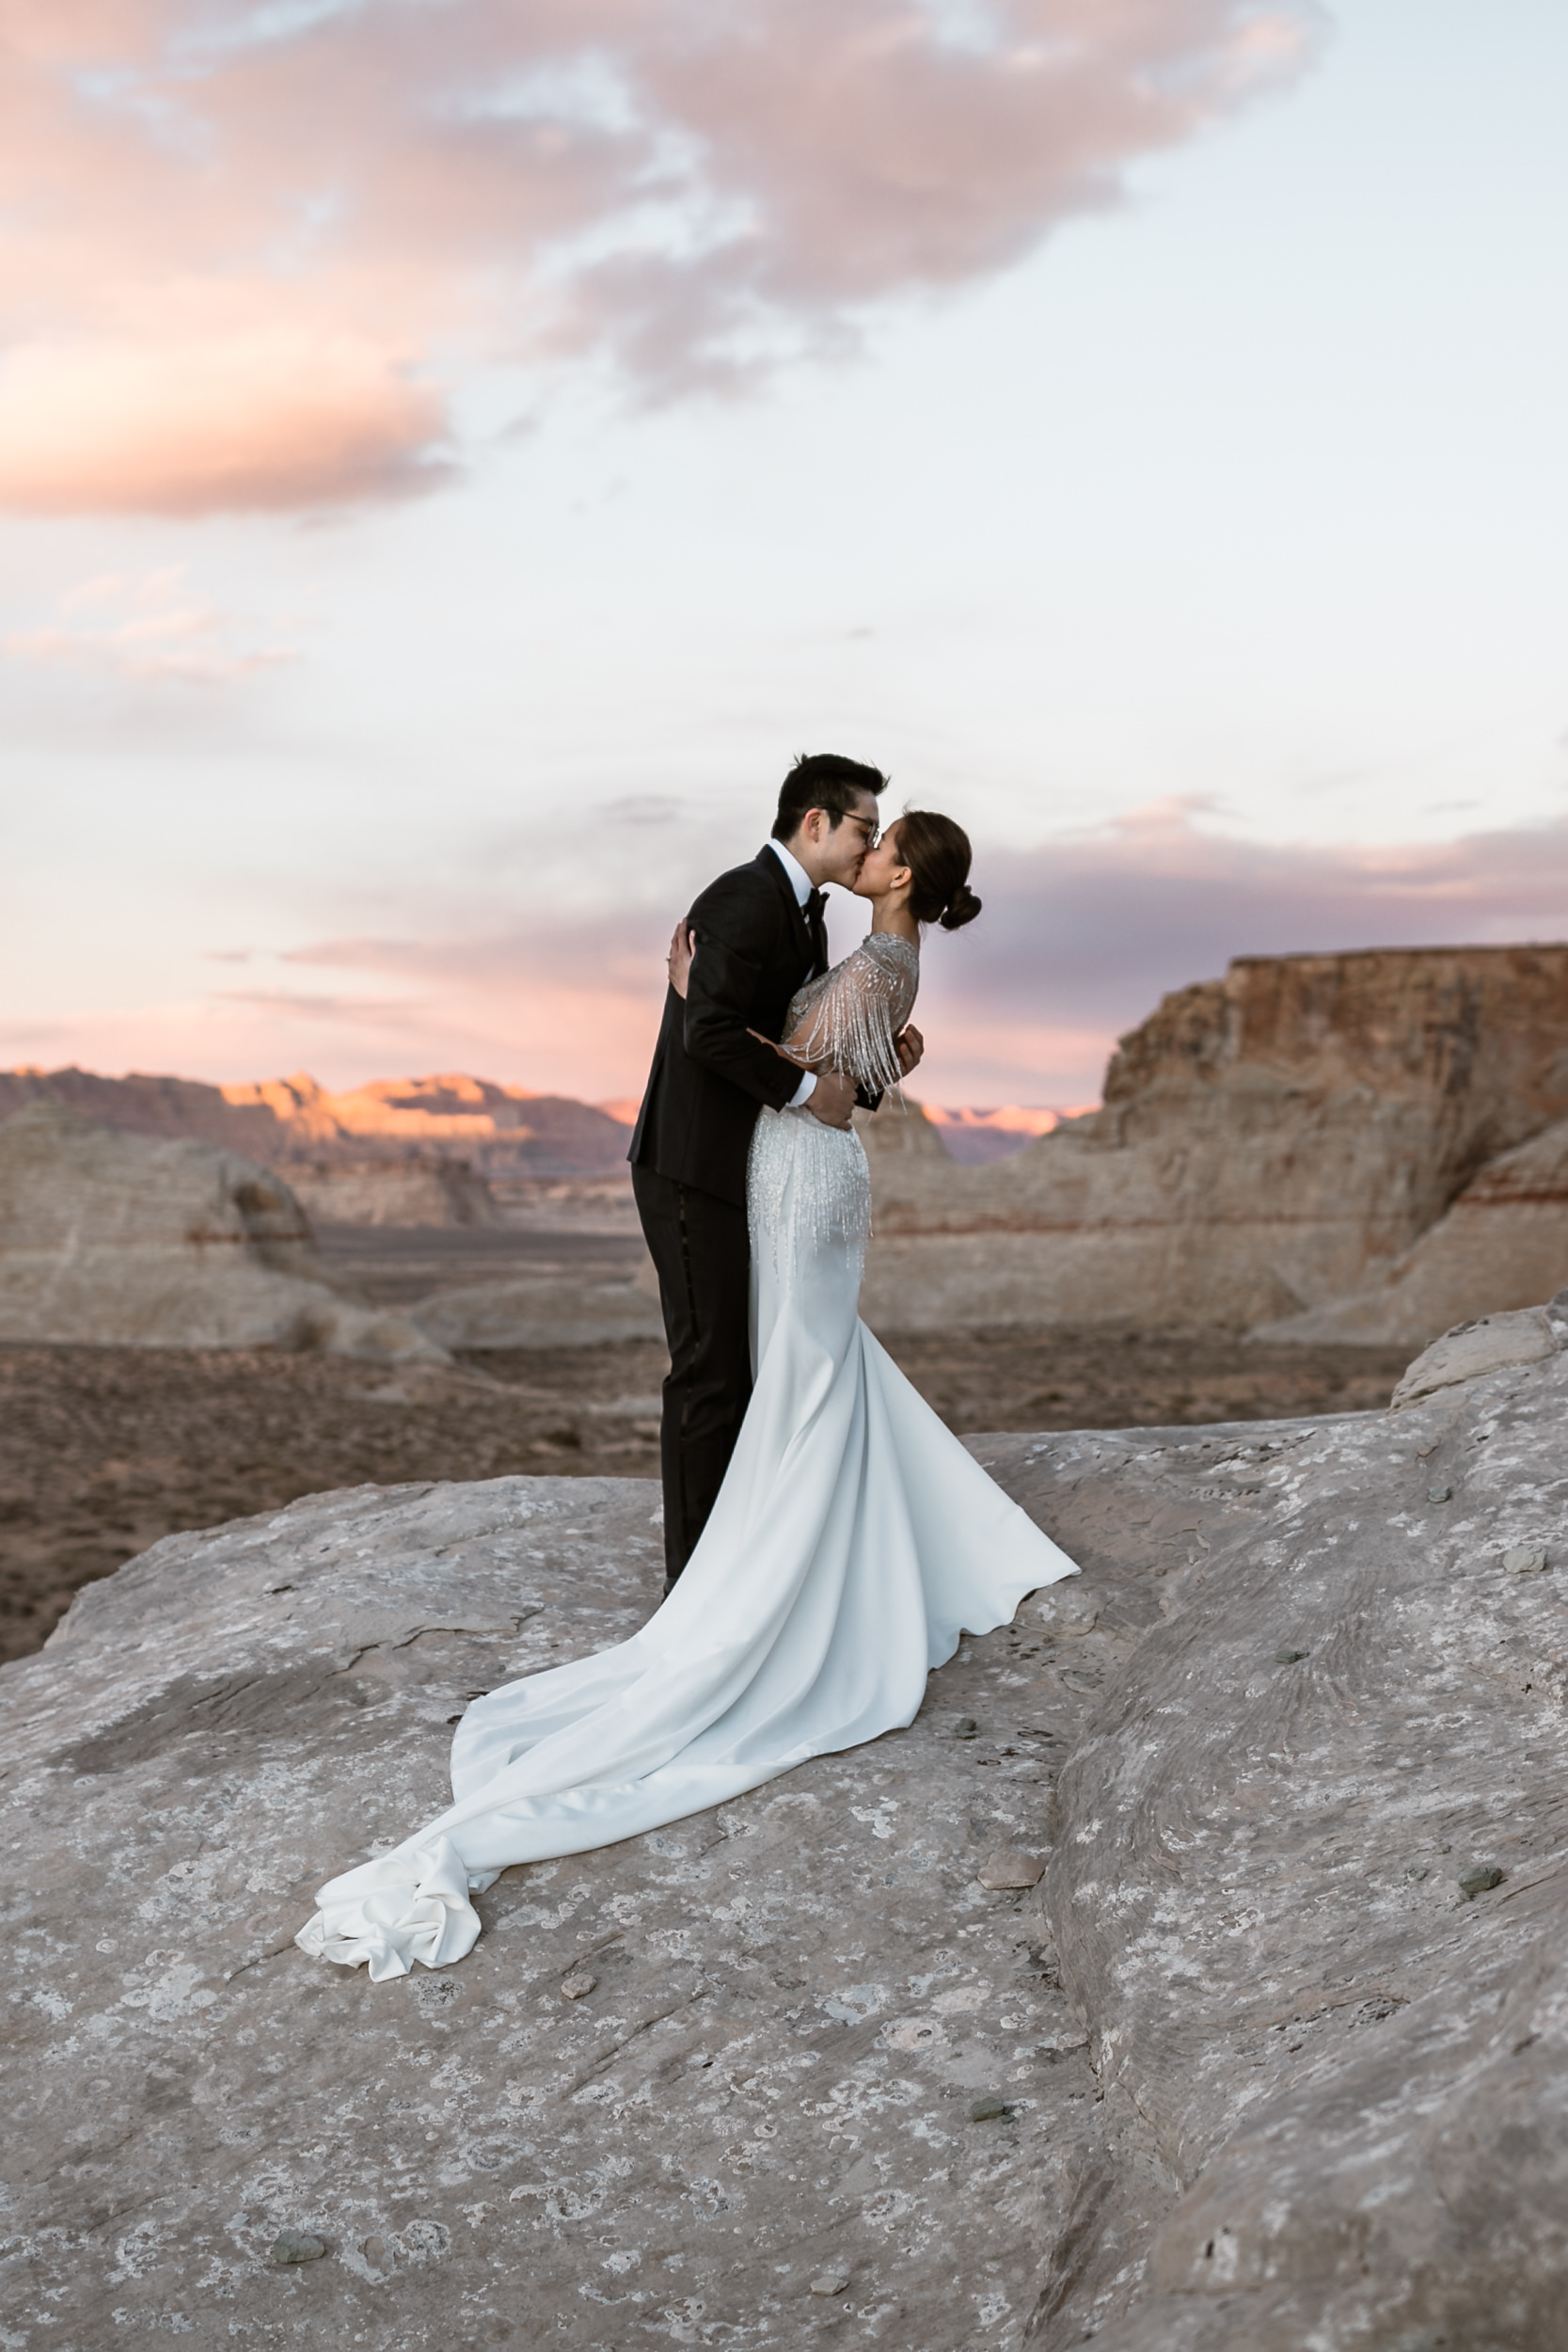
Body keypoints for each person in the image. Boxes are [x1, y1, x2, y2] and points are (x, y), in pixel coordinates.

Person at [295, 792, 1078, 1980]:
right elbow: (847, 1063)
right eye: (859, 828)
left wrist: (725, 1023)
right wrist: (834, 1056)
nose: (867, 847)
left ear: (902, 878)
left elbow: (826, 1076)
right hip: (794, 1173)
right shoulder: (860, 944)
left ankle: (758, 1581)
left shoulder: (872, 952)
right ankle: (772, 1558)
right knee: (800, 1370)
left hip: (802, 1173)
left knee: (798, 1370)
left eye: (883, 841)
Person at [628, 751, 921, 1592]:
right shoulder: (741, 899)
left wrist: (866, 1079)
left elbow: (799, 1047)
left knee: (748, 1365)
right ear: (815, 822)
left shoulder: (806, 917)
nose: (869, 846)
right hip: (692, 1165)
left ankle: (739, 1558)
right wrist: (811, 1094)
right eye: (864, 828)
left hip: (752, 1163)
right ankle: (691, 1589)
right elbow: (709, 1035)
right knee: (710, 1370)